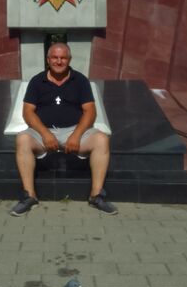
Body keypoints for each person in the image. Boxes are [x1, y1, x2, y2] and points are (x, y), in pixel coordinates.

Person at [10, 42, 117, 216]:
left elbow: (90, 111)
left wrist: (76, 135)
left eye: (63, 58)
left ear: (69, 60)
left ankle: (96, 196)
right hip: (42, 132)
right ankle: (29, 197)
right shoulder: (37, 81)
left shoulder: (80, 80)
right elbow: (27, 112)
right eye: (55, 57)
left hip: (74, 131)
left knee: (101, 139)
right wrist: (45, 134)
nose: (59, 61)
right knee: (22, 139)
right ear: (48, 59)